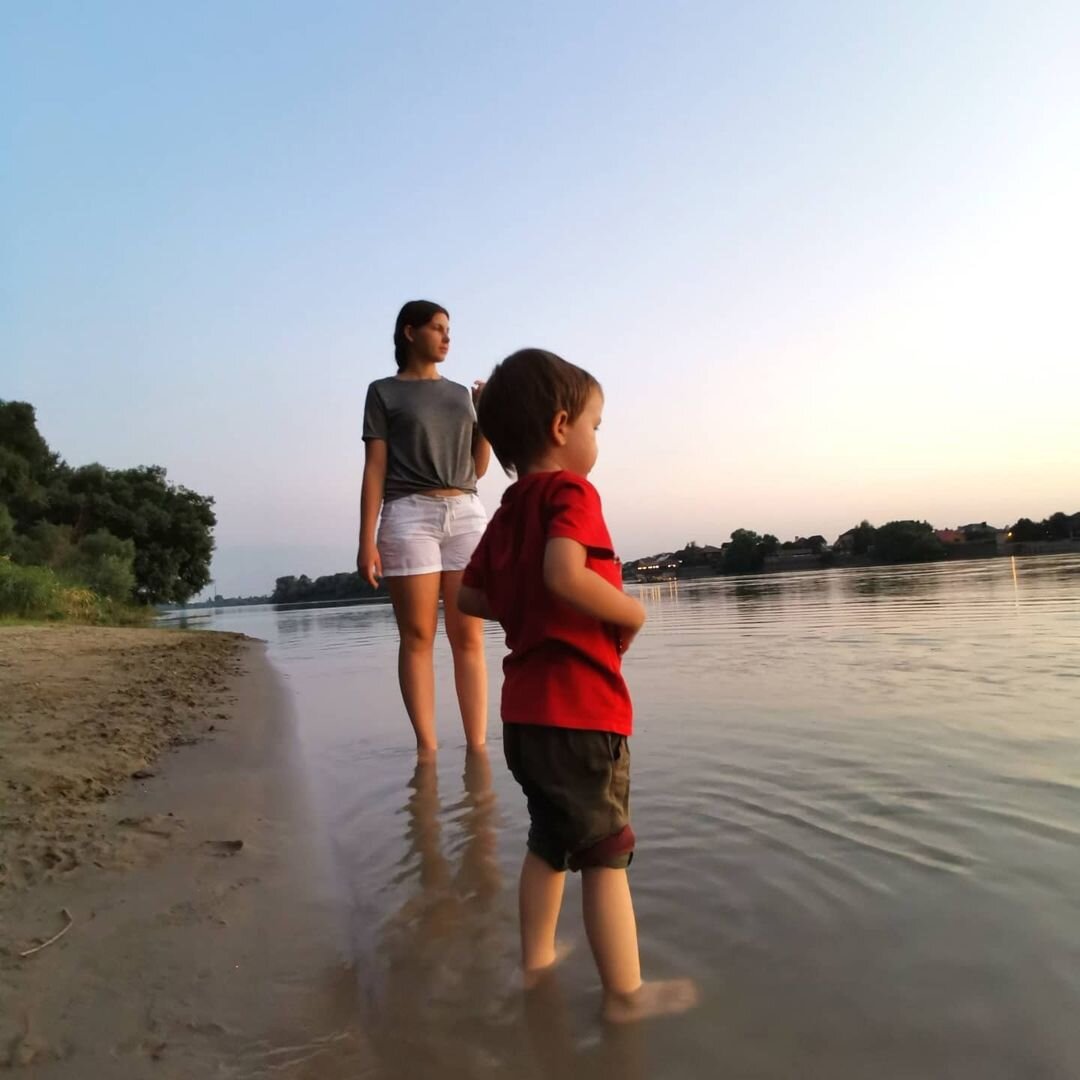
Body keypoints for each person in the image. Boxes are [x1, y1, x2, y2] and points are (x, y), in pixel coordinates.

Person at [458, 348, 698, 1023]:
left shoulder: (507, 511)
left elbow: (469, 597)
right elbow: (565, 573)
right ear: (562, 426)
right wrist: (632, 613)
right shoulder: (571, 493)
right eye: (596, 425)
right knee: (604, 852)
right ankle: (625, 996)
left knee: (547, 840)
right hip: (580, 711)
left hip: (524, 717)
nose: (597, 439)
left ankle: (535, 964)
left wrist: (524, 608)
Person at [358, 300, 490, 755]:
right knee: (417, 637)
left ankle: (477, 754)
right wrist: (366, 540)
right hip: (408, 514)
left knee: (468, 636)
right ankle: (427, 754)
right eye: (436, 328)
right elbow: (375, 468)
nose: (446, 336)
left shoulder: (460, 395)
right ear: (409, 332)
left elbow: (477, 468)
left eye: (449, 329)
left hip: (466, 512)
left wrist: (484, 416)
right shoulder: (383, 392)